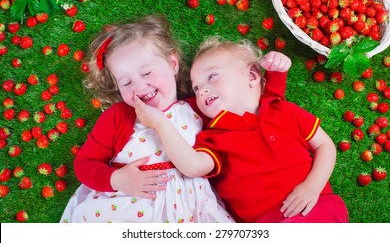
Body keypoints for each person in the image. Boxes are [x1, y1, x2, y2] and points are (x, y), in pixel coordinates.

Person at [60, 15, 285, 223]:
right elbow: (85, 164)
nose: (139, 86)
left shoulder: (200, 108)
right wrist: (117, 179)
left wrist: (275, 75)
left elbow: (252, 110)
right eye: (126, 83)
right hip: (131, 207)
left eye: (147, 73)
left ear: (173, 64)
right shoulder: (119, 116)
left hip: (192, 208)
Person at [135, 36, 349, 223]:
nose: (202, 91)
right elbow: (192, 166)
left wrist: (312, 187)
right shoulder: (215, 137)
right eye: (196, 87)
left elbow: (325, 145)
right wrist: (160, 123)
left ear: (252, 77)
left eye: (212, 76)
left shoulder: (282, 111)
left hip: (314, 208)